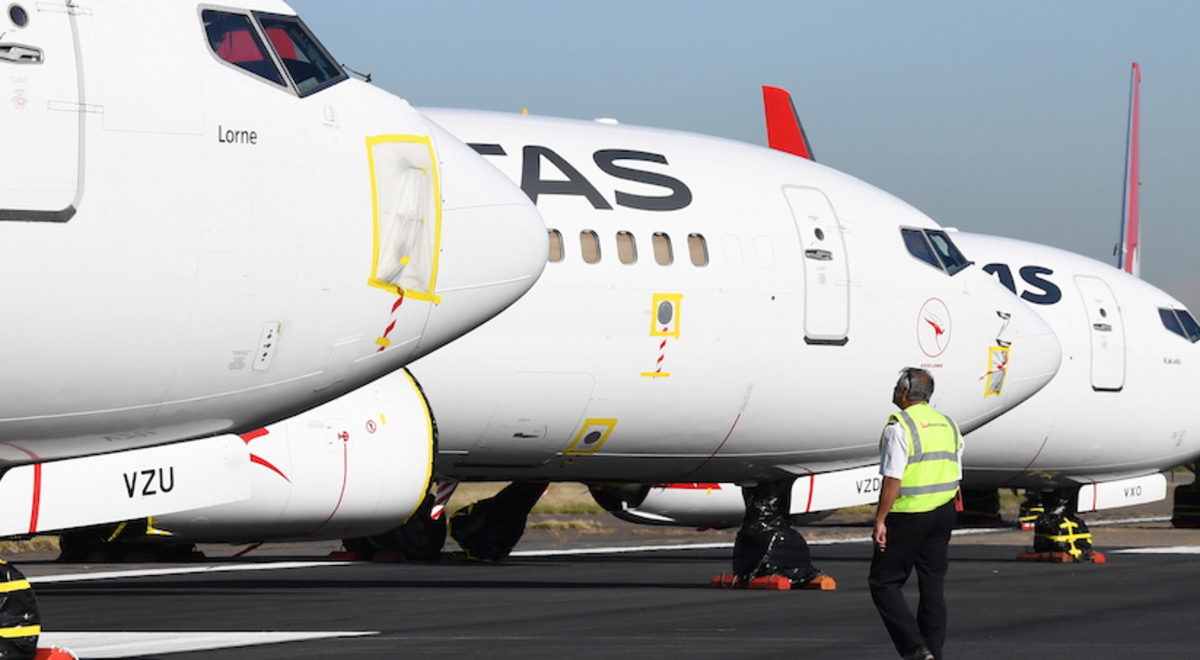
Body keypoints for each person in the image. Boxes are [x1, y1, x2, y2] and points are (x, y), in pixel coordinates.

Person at [869, 367, 963, 660]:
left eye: (897, 388)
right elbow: (956, 467)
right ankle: (933, 651)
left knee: (884, 582)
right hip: (943, 512)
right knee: (932, 584)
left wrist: (881, 518)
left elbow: (893, 478)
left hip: (910, 513)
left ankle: (915, 648)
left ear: (905, 393)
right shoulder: (948, 424)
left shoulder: (901, 426)